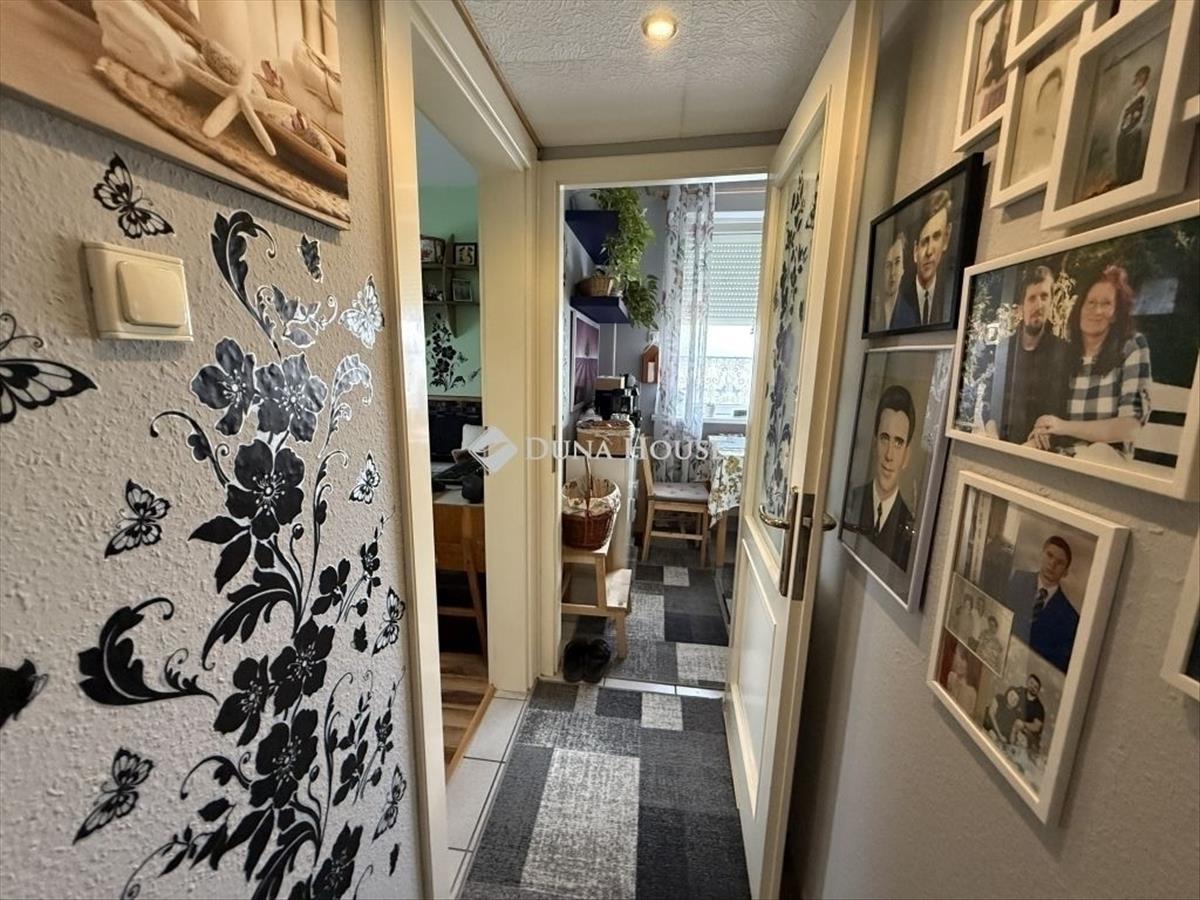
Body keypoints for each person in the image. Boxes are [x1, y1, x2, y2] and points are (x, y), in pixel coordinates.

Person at [1029, 265, 1152, 460]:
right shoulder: (1066, 353)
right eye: (1091, 302)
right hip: (1063, 456)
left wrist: (1062, 426)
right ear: (1080, 308)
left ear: (1116, 314)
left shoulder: (1131, 347)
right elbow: (1050, 416)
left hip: (1105, 460)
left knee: (1095, 453)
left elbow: (1129, 427)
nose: (1097, 310)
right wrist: (1043, 429)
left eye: (1106, 304)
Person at [985, 265, 1068, 444]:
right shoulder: (1003, 350)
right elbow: (988, 407)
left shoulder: (1062, 352)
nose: (1039, 305)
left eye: (1044, 296)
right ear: (1022, 306)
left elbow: (1059, 413)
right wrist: (991, 434)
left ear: (1051, 301)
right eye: (1032, 298)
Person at [845, 385, 917, 570]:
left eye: (898, 443)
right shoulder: (852, 499)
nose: (889, 455)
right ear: (874, 443)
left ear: (907, 456)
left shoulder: (909, 523)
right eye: (885, 438)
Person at [1003, 536, 1079, 673]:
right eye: (1049, 555)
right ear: (1041, 555)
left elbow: (1059, 666)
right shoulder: (1017, 580)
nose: (1052, 564)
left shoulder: (1070, 617)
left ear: (1066, 572)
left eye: (1060, 562)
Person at [892, 190, 953, 329]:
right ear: (915, 251)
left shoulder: (949, 295)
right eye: (925, 242)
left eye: (936, 237)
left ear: (946, 238)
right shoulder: (902, 297)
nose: (929, 251)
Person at [1116, 65, 1153, 186]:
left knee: (1130, 158)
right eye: (1138, 77)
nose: (1139, 80)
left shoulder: (1144, 95)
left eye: (1142, 77)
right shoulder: (1132, 97)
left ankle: (1126, 181)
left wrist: (1135, 128)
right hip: (1125, 131)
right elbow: (1124, 115)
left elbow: (1142, 114)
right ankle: (1121, 180)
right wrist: (1120, 129)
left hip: (1133, 131)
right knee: (1122, 156)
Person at [871, 231, 906, 332]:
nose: (892, 273)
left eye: (897, 262)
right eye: (888, 265)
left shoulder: (909, 314)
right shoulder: (873, 311)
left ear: (903, 268)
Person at [1011, 674, 1046, 755]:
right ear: (1027, 682)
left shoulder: (1039, 707)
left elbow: (1036, 727)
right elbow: (1010, 695)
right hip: (1012, 729)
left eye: (1036, 687)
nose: (1033, 687)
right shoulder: (1019, 692)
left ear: (1038, 690)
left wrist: (1023, 724)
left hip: (1027, 736)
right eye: (1031, 683)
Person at [946, 643, 978, 713]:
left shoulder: (972, 692)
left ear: (969, 664)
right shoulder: (951, 676)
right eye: (958, 657)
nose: (959, 662)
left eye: (963, 659)